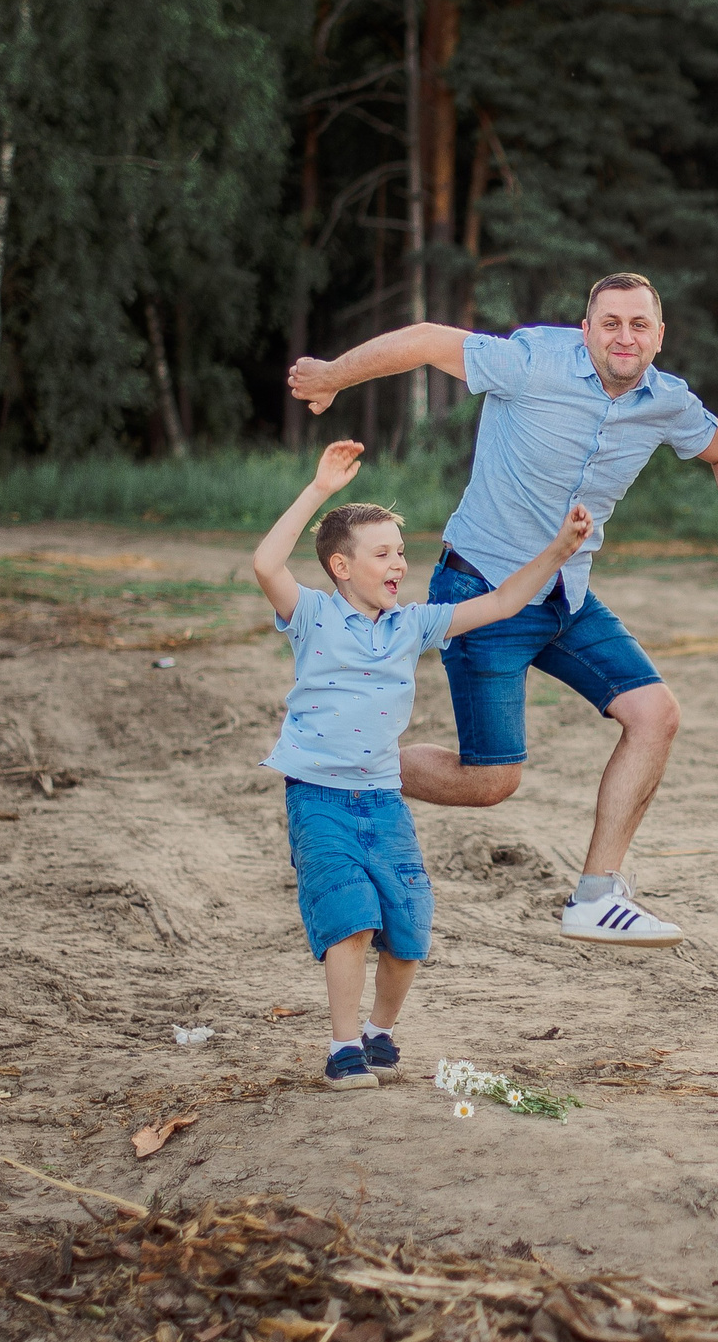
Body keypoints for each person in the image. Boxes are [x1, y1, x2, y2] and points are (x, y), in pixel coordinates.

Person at [287, 275, 718, 947]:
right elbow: (425, 339)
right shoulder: (531, 360)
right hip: (483, 589)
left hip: (564, 592)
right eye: (610, 323)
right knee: (491, 780)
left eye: (639, 324)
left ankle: (596, 897)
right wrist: (332, 376)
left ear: (659, 336)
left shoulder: (667, 402)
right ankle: (337, 761)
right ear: (586, 328)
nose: (624, 336)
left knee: (655, 714)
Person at [251, 440, 592, 1090]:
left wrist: (557, 552)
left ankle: (378, 1031)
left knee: (408, 929)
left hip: (384, 799)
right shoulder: (313, 615)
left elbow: (500, 603)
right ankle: (343, 1047)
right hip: (318, 797)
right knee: (350, 920)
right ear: (341, 566)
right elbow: (267, 562)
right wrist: (319, 489)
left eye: (401, 552)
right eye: (383, 553)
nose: (399, 564)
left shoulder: (410, 625)